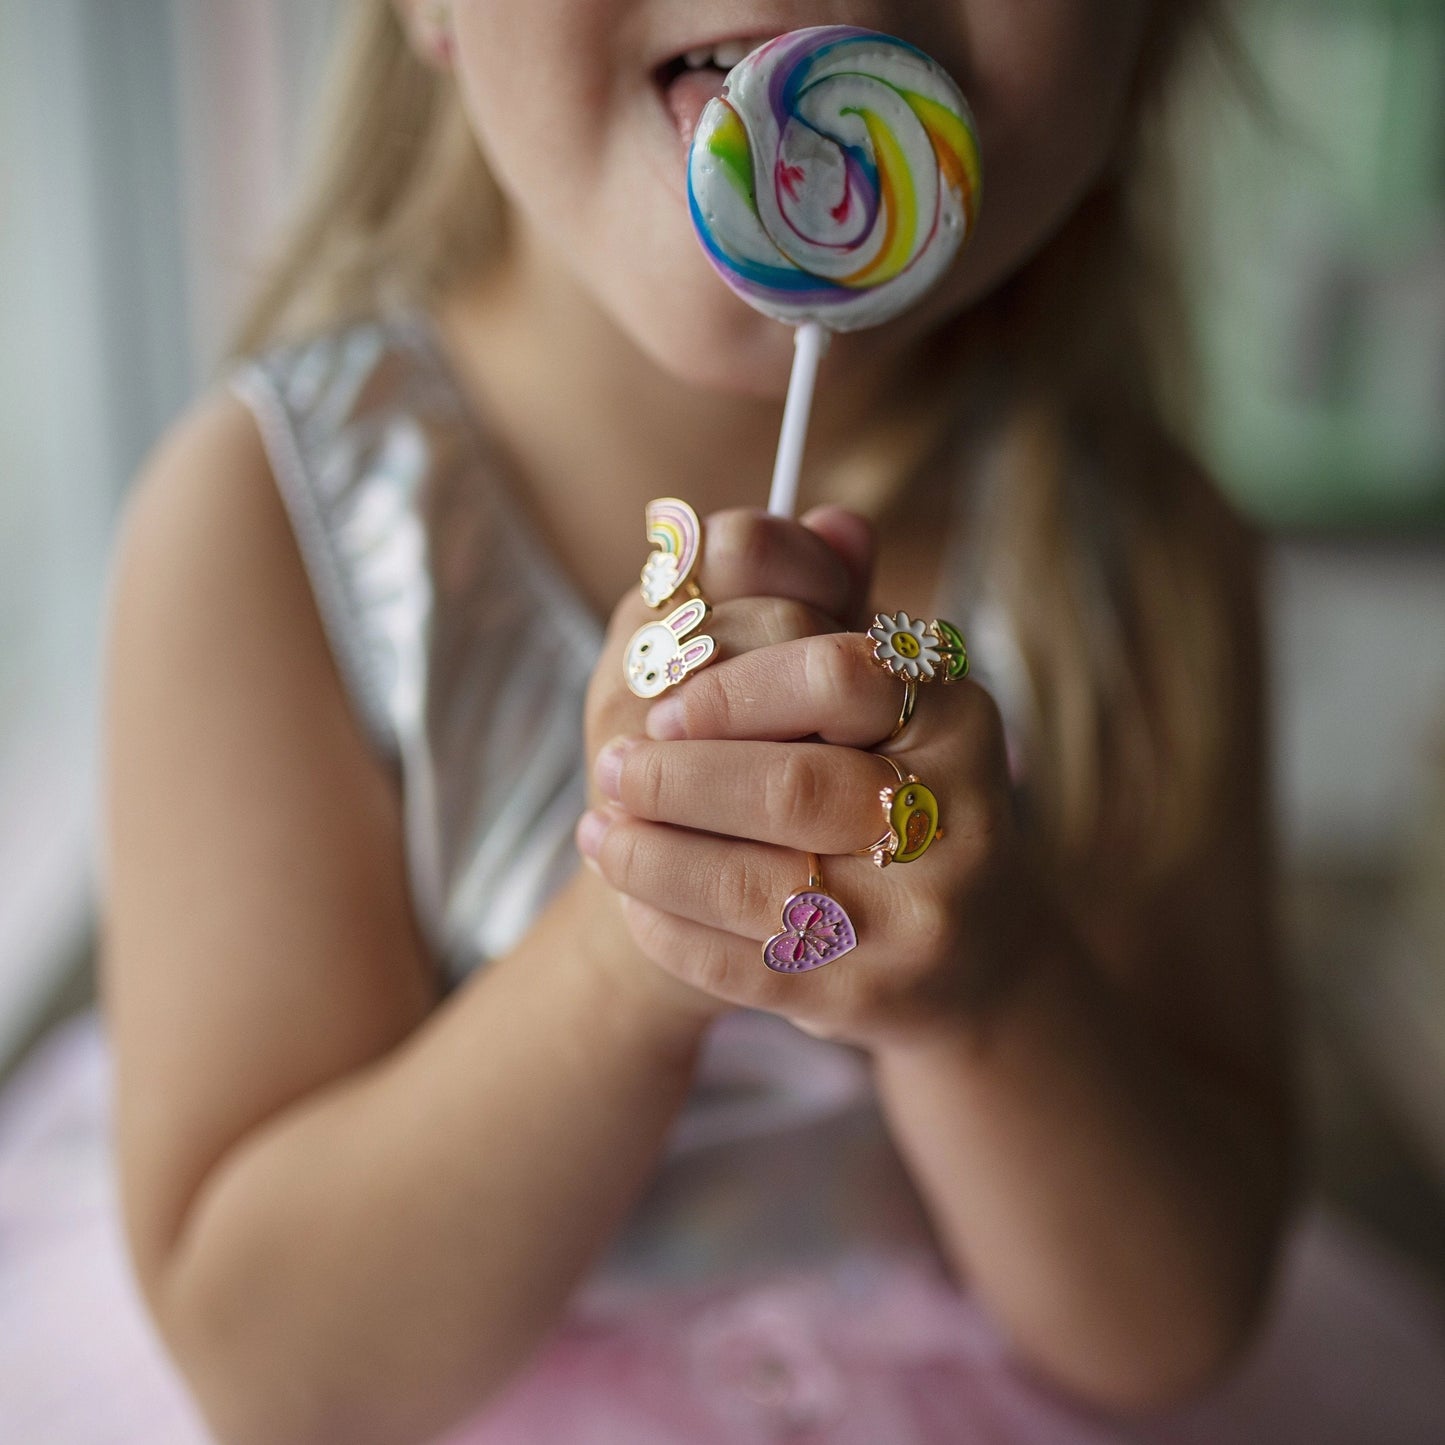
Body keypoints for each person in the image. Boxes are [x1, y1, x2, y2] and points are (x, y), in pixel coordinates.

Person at [92, 2, 1445, 1442]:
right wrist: (640, 937)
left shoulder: (1134, 559)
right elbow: (271, 1365)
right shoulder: (269, 532)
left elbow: (1172, 1323)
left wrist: (984, 997)